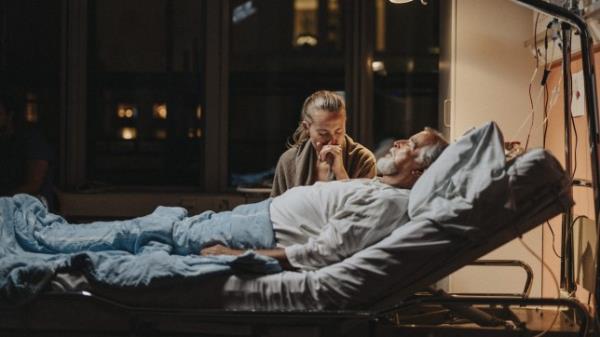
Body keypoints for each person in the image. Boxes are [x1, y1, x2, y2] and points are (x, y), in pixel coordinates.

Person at [203, 127, 448, 270]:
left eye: (411, 144)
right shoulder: (381, 185)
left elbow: (323, 251)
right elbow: (344, 202)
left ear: (419, 171)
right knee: (173, 225)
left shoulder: (391, 203)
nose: (398, 142)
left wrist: (237, 255)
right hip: (260, 215)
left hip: (263, 230)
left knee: (171, 229)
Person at [270, 90, 376, 197]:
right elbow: (274, 209)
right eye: (323, 133)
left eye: (338, 131)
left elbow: (363, 209)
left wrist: (340, 172)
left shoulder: (364, 160)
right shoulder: (288, 161)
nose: (333, 141)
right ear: (307, 127)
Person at [0, 94, 55, 209]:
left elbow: (33, 185)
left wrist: (4, 198)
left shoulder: (32, 140)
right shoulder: (5, 142)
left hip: (30, 205)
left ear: (10, 115)